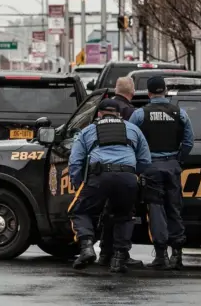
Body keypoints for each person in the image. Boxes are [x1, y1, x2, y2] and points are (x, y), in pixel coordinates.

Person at [68, 98, 151, 273]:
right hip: (127, 176)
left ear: (99, 114)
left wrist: (78, 184)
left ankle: (87, 247)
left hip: (100, 176)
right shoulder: (133, 128)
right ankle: (119, 259)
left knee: (79, 210)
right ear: (118, 114)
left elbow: (75, 162)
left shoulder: (88, 131)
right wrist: (132, 175)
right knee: (124, 215)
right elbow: (145, 160)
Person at [129, 76, 194, 269]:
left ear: (149, 93)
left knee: (156, 210)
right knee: (174, 207)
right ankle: (177, 255)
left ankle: (161, 255)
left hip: (151, 167)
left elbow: (131, 140)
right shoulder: (179, 113)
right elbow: (189, 141)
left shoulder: (140, 114)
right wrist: (178, 158)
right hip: (172, 165)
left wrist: (141, 162)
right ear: (165, 91)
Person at [95, 76, 140, 267]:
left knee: (107, 212)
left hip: (101, 171)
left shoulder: (102, 110)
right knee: (124, 214)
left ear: (115, 89)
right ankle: (121, 255)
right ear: (133, 92)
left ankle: (105, 252)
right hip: (126, 171)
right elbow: (140, 144)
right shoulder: (133, 113)